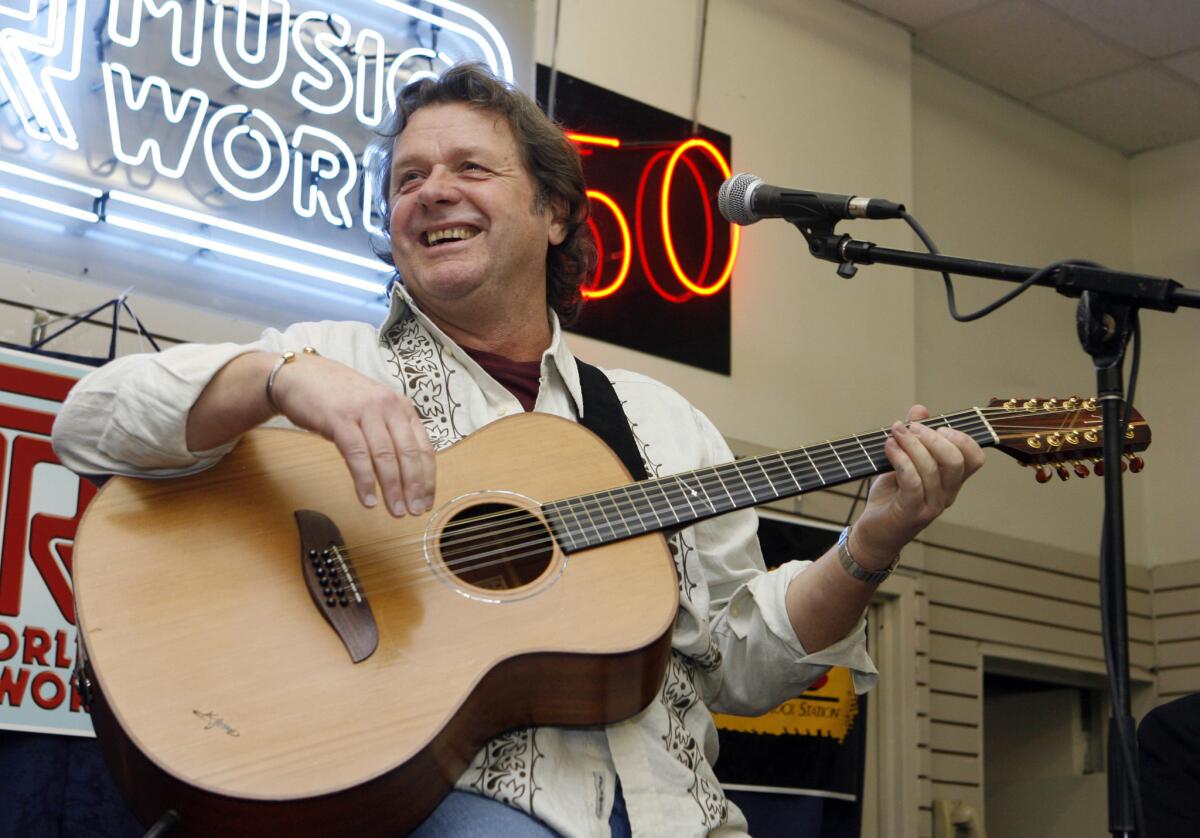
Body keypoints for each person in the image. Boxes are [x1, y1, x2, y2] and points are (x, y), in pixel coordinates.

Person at [52, 63, 985, 836]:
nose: (434, 192)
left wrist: (873, 544)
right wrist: (279, 379)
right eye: (408, 178)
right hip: (446, 803)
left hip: (674, 813)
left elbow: (740, 670)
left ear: (555, 213)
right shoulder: (330, 361)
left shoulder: (663, 423)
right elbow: (87, 421)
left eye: (469, 168)